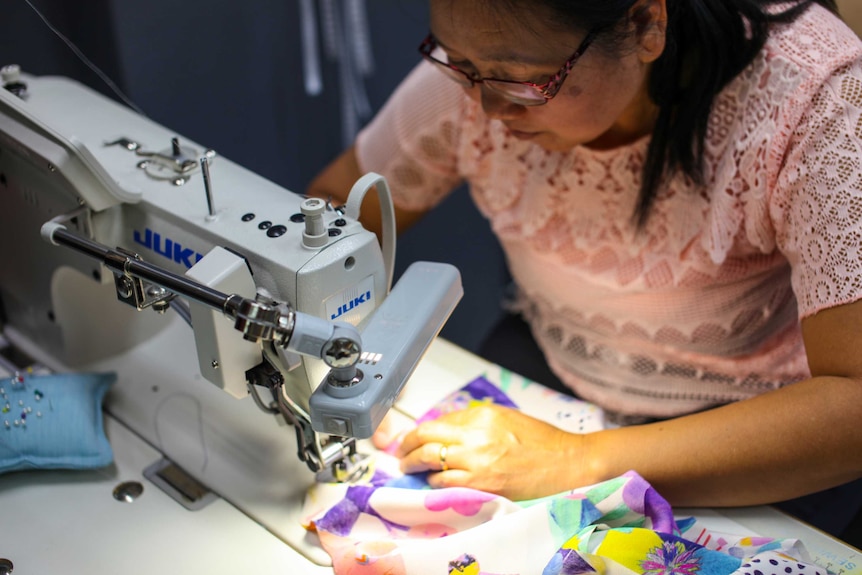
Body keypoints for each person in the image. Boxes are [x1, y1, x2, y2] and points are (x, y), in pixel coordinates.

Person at [307, 0, 862, 538]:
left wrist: (579, 459)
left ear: (646, 22)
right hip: (554, 359)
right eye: (460, 65)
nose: (487, 110)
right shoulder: (489, 61)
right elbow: (333, 210)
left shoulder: (814, 91)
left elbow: (853, 406)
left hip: (759, 431)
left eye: (521, 80)